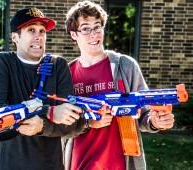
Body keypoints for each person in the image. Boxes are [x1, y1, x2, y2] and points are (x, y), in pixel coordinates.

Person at [63, 1, 175, 170]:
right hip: (80, 162)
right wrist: (89, 122)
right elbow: (61, 125)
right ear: (73, 34)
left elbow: (144, 112)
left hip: (120, 163)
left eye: (97, 26)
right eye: (85, 28)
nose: (94, 34)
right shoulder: (67, 74)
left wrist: (156, 121)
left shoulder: (125, 66)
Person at [0, 8, 82, 170]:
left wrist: (42, 126)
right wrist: (49, 112)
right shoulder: (4, 62)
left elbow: (71, 123)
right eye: (31, 30)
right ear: (15, 37)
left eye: (42, 31)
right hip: (10, 165)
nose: (39, 36)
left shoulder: (58, 65)